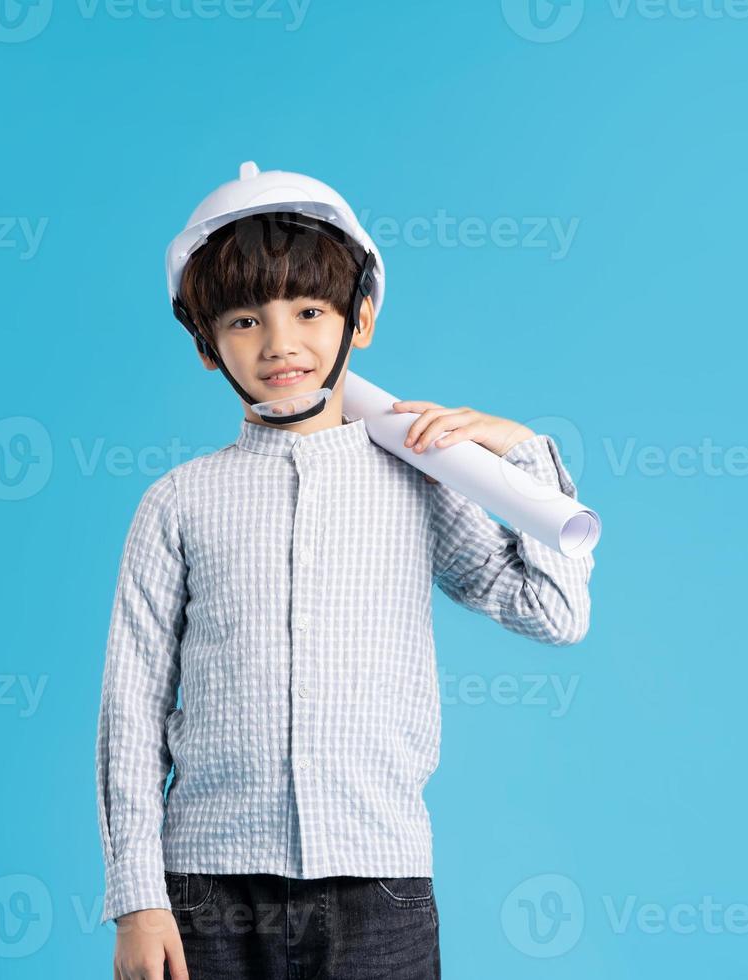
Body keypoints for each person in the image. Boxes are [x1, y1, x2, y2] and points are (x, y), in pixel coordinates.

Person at [97, 161, 595, 980]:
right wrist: (137, 898)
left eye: (309, 310)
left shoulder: (422, 479)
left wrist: (520, 455)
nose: (281, 343)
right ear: (205, 345)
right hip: (206, 895)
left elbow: (554, 610)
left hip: (379, 890)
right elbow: (130, 712)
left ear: (358, 320)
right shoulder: (177, 504)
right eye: (245, 321)